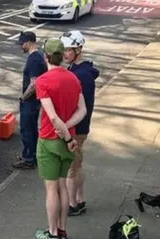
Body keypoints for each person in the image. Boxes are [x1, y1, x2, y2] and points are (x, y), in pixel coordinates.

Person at [33, 38, 87, 239]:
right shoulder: (73, 78)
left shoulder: (43, 81)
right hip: (68, 141)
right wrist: (69, 133)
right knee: (63, 186)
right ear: (62, 55)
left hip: (50, 140)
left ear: (46, 57)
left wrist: (63, 133)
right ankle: (63, 230)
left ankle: (53, 232)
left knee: (51, 189)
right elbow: (82, 110)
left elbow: (52, 117)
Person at [60, 30, 100, 216]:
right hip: (79, 127)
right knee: (77, 165)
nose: (64, 54)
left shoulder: (82, 75)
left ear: (78, 50)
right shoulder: (77, 70)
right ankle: (80, 199)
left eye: (68, 50)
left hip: (77, 128)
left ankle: (71, 205)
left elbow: (83, 106)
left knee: (71, 170)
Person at [12, 31, 48, 170]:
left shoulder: (33, 59)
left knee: (27, 130)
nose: (21, 47)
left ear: (28, 43)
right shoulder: (39, 56)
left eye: (22, 44)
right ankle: (33, 154)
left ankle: (28, 159)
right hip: (36, 100)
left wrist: (23, 97)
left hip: (30, 101)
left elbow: (34, 83)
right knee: (32, 129)